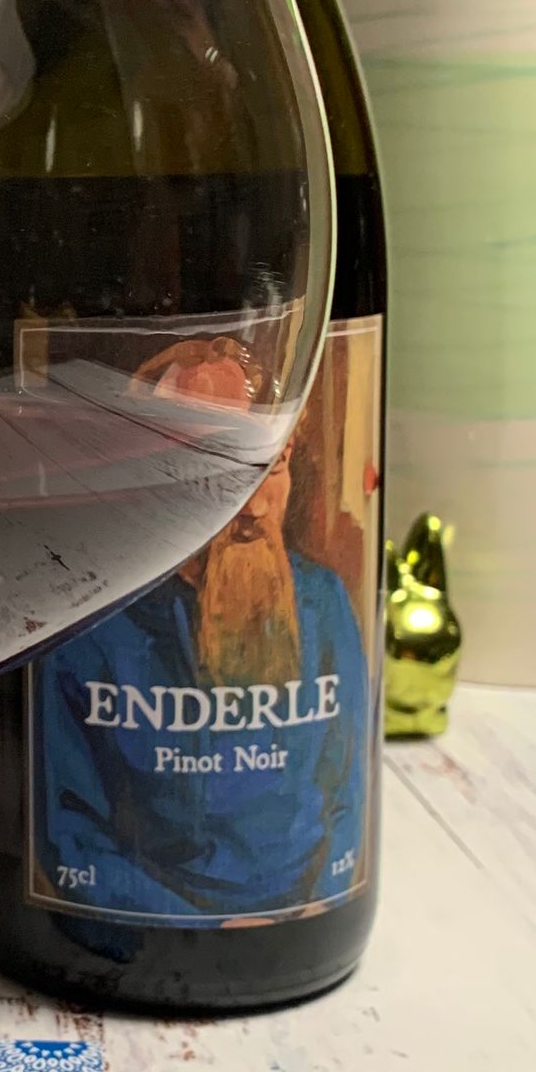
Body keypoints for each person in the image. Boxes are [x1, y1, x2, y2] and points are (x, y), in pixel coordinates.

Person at [32, 341, 371, 924]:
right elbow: (73, 834)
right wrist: (216, 927)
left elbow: (348, 791)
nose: (254, 506)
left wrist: (310, 901)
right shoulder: (90, 624)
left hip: (305, 909)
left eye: (272, 464)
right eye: (214, 465)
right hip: (139, 924)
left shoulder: (322, 601)